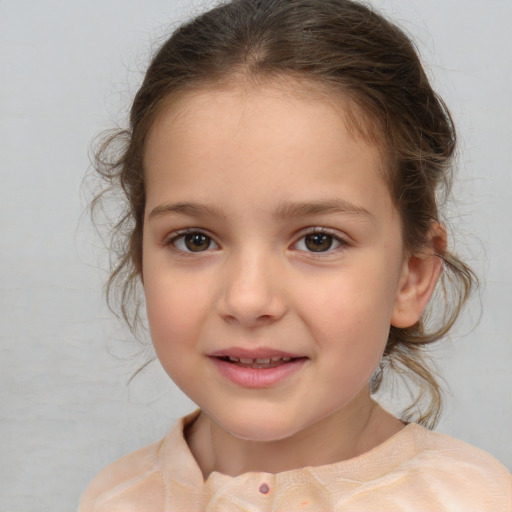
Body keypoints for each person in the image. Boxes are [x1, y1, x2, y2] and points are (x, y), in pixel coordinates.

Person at [79, 0, 512, 510]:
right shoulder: (113, 498)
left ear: (410, 277)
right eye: (195, 239)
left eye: (318, 240)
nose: (247, 299)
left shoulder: (475, 501)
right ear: (141, 262)